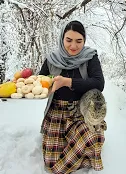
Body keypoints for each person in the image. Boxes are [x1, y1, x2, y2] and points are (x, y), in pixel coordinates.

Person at [38, 20, 106, 174]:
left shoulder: (90, 57)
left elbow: (98, 83)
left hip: (80, 112)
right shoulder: (52, 59)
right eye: (69, 40)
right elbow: (40, 81)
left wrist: (67, 82)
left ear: (84, 40)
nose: (73, 46)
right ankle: (77, 149)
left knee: (90, 135)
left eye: (79, 41)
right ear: (62, 39)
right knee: (52, 166)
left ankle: (83, 146)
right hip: (56, 112)